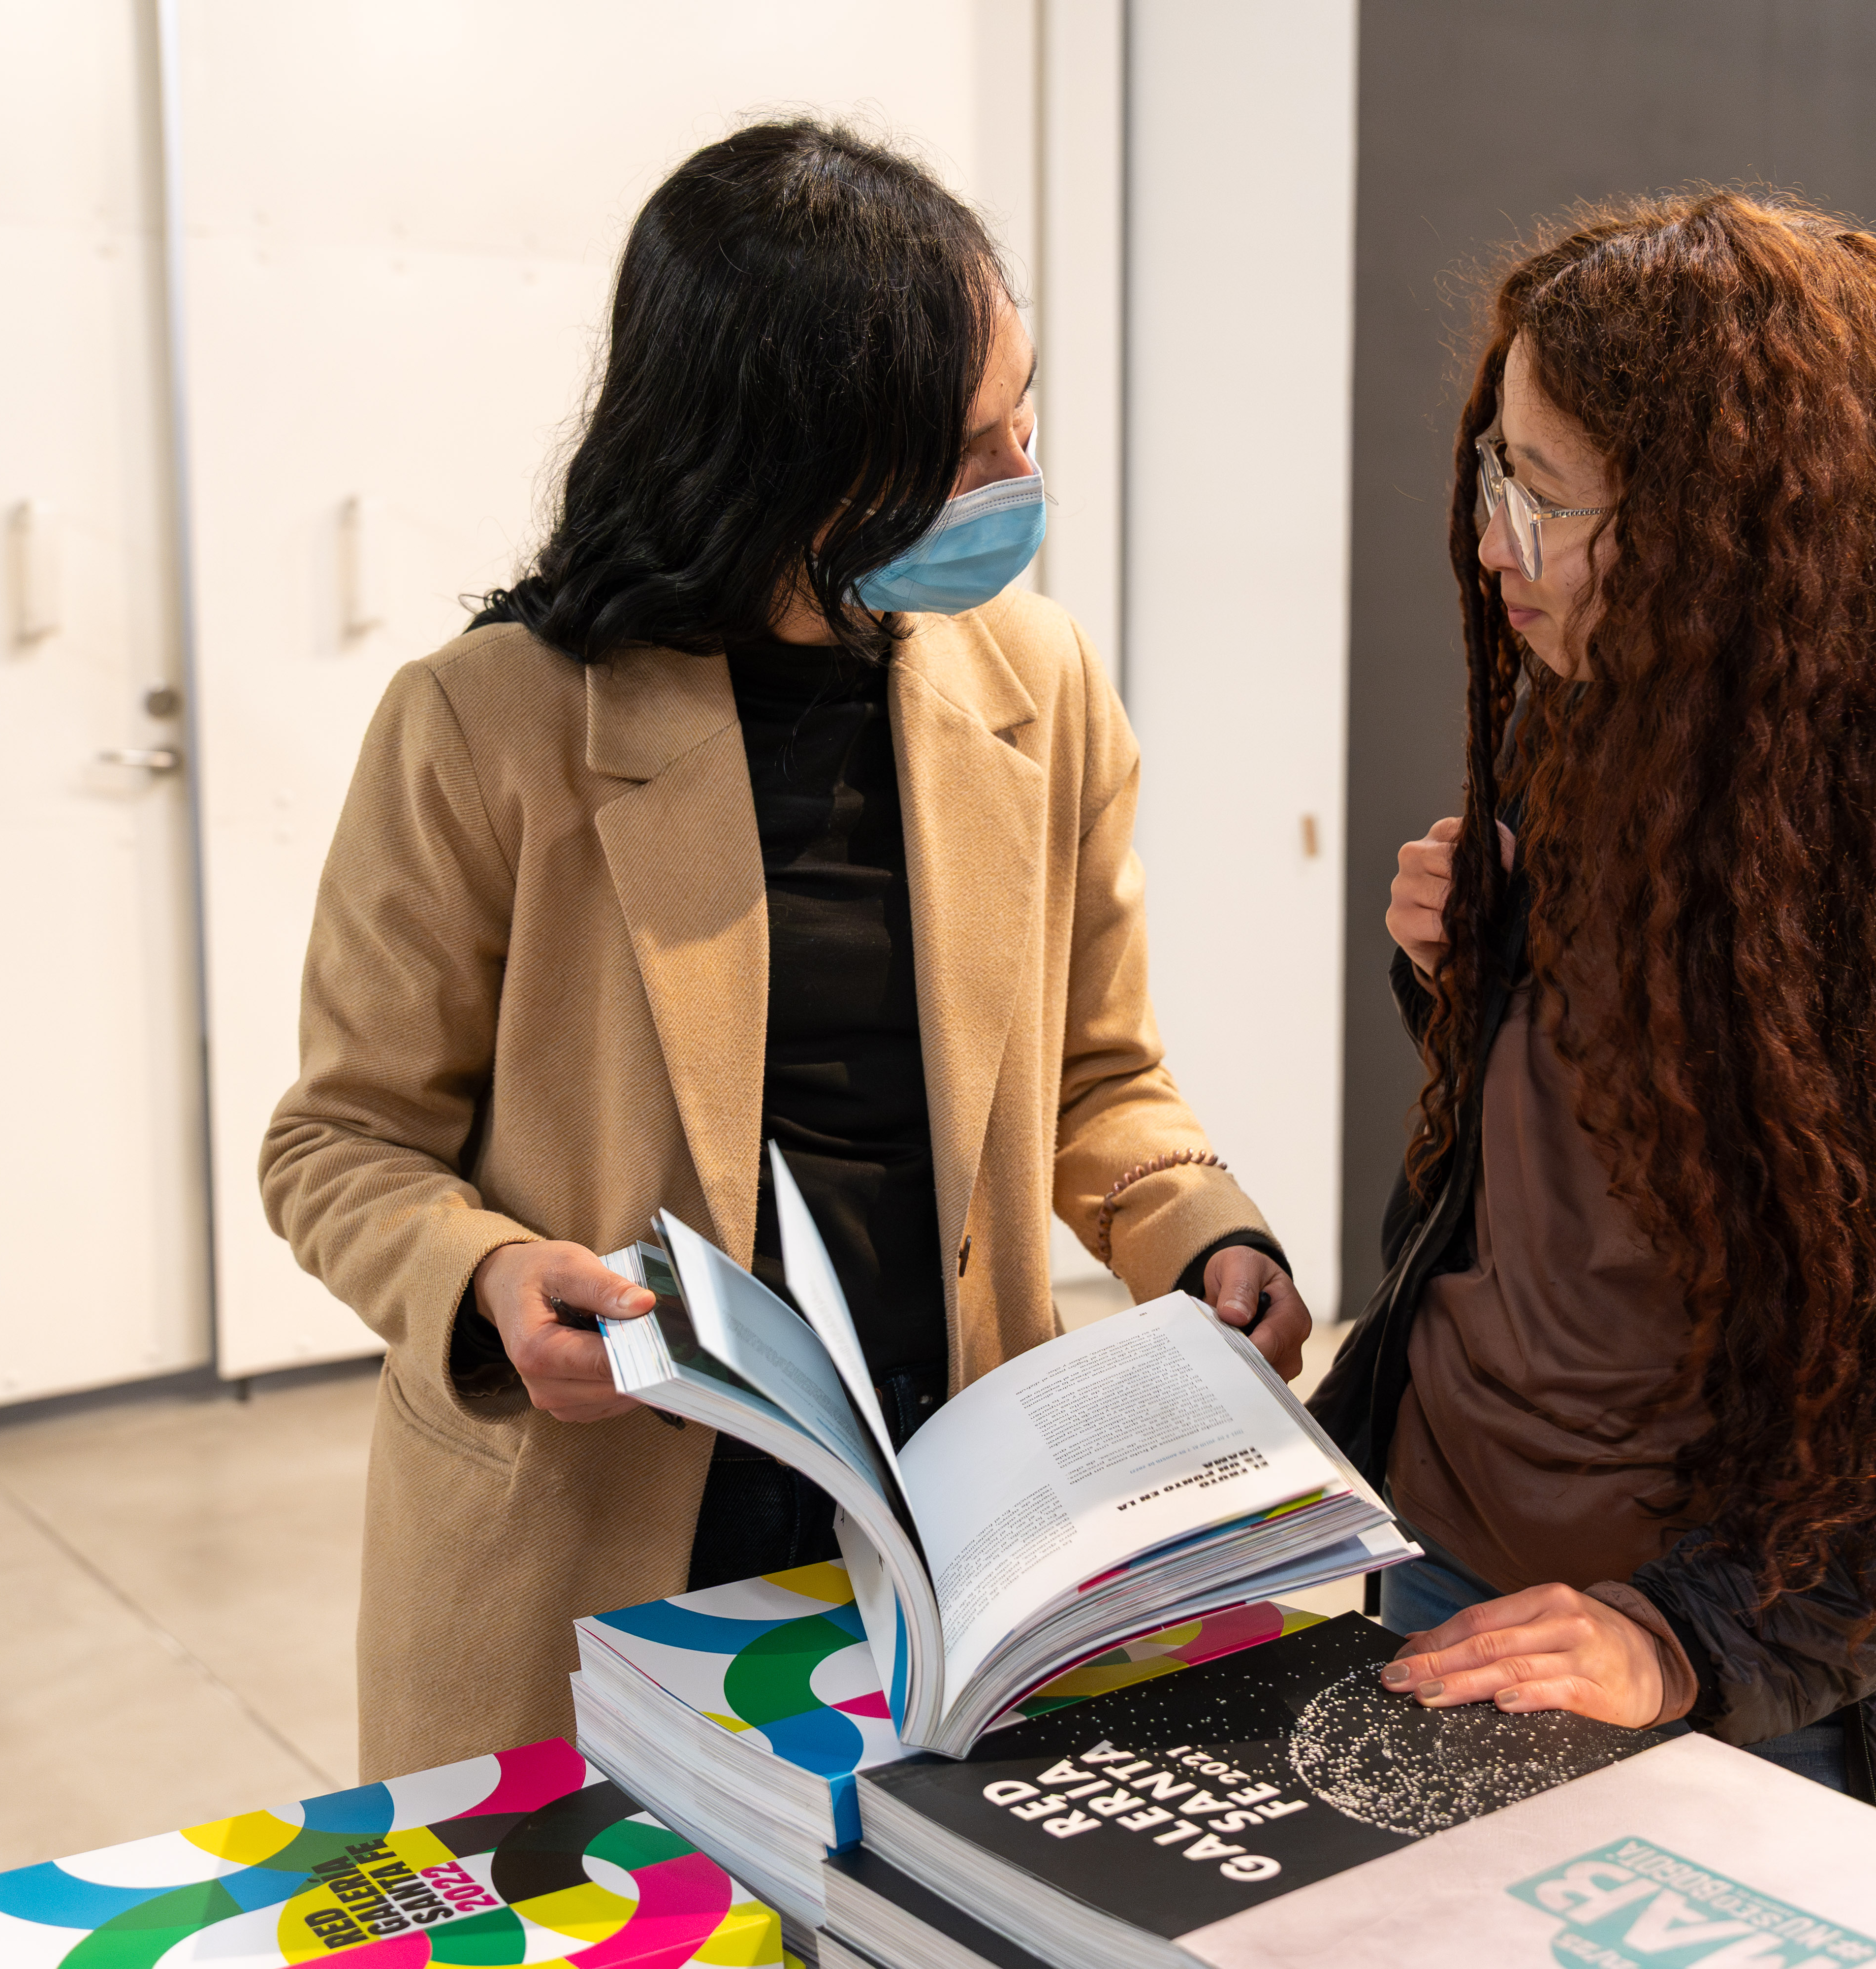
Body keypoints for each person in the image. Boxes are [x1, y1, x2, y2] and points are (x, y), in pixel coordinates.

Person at [260, 121, 1310, 1781]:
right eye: (963, 448)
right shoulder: (486, 728)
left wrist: (1201, 1232)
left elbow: (1102, 1075)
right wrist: (480, 1274)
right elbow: (339, 1143)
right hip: (601, 1526)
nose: (1016, 479)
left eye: (1019, 418)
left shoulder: (1038, 683)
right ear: (780, 457)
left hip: (955, 1497)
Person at [1309, 191, 1876, 1836]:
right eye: (1495, 475)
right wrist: (1461, 980)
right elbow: (1572, 1162)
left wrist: (1684, 1638)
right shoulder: (1589, 710)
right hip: (1440, 1550)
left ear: (1725, 538)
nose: (1494, 542)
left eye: (1545, 498)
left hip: (1724, 1666)